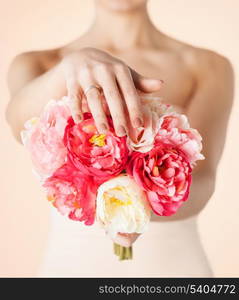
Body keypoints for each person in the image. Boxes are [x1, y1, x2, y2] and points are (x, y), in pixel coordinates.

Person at [6, 0, 234, 277]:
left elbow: (203, 180)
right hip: (72, 267)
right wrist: (72, 66)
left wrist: (138, 206)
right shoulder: (37, 64)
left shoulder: (209, 66)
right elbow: (18, 123)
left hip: (173, 267)